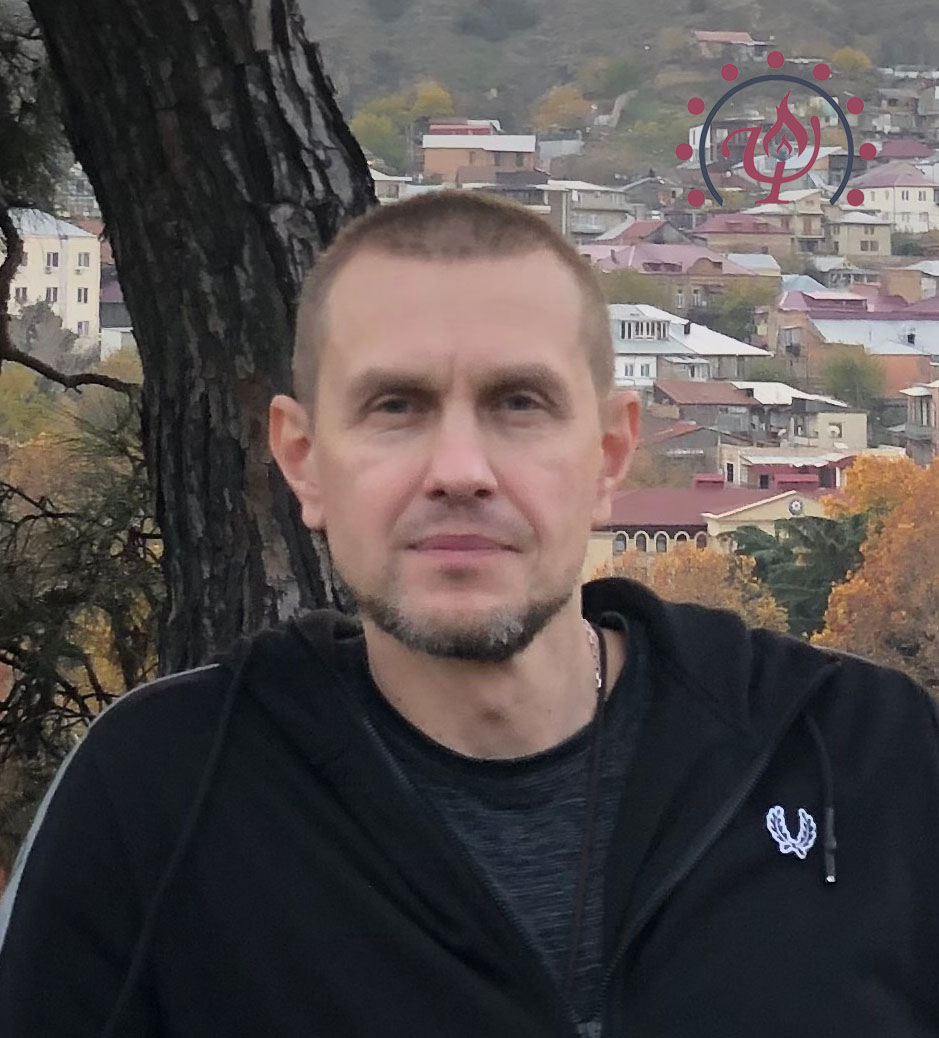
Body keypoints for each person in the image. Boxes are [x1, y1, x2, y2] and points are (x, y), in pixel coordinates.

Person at [0, 191, 937, 1038]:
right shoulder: (159, 795)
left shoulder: (864, 756)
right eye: (395, 406)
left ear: (609, 455)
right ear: (303, 461)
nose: (459, 470)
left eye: (518, 403)